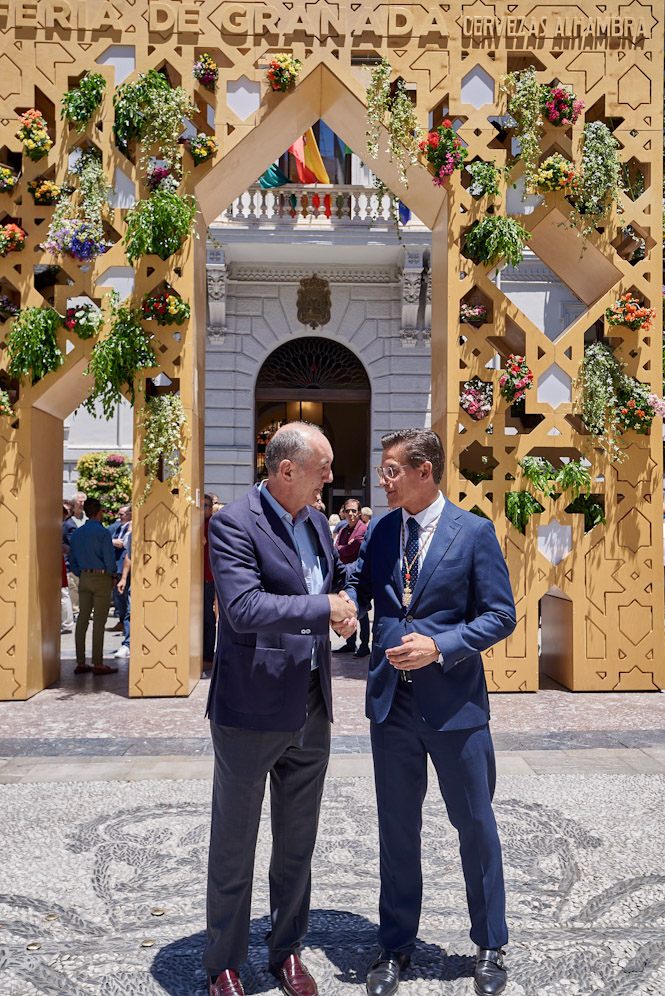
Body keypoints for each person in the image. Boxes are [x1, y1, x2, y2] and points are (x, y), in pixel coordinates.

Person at [346, 428, 516, 996]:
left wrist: (440, 647)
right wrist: (343, 605)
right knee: (397, 829)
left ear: (425, 471)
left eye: (391, 469)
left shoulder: (475, 533)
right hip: (391, 704)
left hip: (455, 707)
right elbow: (360, 583)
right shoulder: (383, 530)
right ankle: (395, 945)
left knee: (475, 825)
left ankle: (490, 943)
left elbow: (500, 615)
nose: (382, 479)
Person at [204, 421, 356, 996]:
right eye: (325, 467)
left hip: (312, 704)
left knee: (298, 841)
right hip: (250, 708)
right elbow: (243, 607)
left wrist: (349, 602)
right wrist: (326, 607)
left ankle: (286, 950)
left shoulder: (317, 521)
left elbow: (337, 581)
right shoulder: (233, 523)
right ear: (287, 470)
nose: (332, 478)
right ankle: (223, 962)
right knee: (235, 842)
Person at [68, 497, 119, 676]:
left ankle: (80, 661)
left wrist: (80, 572)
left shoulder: (77, 533)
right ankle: (98, 662)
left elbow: (72, 559)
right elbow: (109, 558)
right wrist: (113, 574)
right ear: (99, 512)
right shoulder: (103, 533)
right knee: (99, 621)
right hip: (101, 577)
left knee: (82, 619)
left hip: (85, 576)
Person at [333, 498, 370, 658]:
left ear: (359, 512)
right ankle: (350, 643)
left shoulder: (362, 529)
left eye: (354, 510)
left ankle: (364, 645)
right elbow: (337, 549)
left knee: (362, 613)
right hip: (344, 575)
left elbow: (351, 549)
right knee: (346, 610)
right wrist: (344, 547)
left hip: (359, 576)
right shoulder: (344, 530)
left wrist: (344, 547)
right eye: (348, 510)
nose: (350, 514)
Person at [109, 506, 132, 659]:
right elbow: (129, 556)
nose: (120, 517)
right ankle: (128, 643)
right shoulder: (130, 534)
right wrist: (123, 578)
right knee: (128, 609)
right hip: (129, 575)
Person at [203, 493, 217, 670]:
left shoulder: (211, 524)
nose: (201, 510)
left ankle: (208, 655)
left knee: (207, 619)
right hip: (202, 578)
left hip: (208, 578)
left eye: (205, 506)